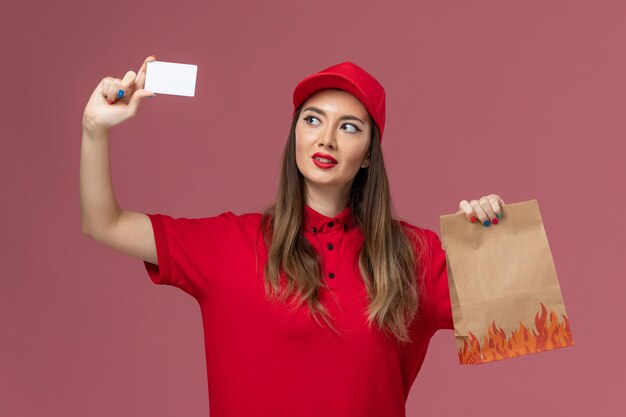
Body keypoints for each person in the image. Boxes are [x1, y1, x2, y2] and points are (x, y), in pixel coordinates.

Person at [81, 56, 505, 417]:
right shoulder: (230, 244)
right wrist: (94, 129)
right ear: (296, 134)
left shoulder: (414, 255)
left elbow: (521, 316)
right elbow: (105, 224)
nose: (326, 138)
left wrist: (494, 237)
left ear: (370, 154)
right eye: (313, 119)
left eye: (350, 127)